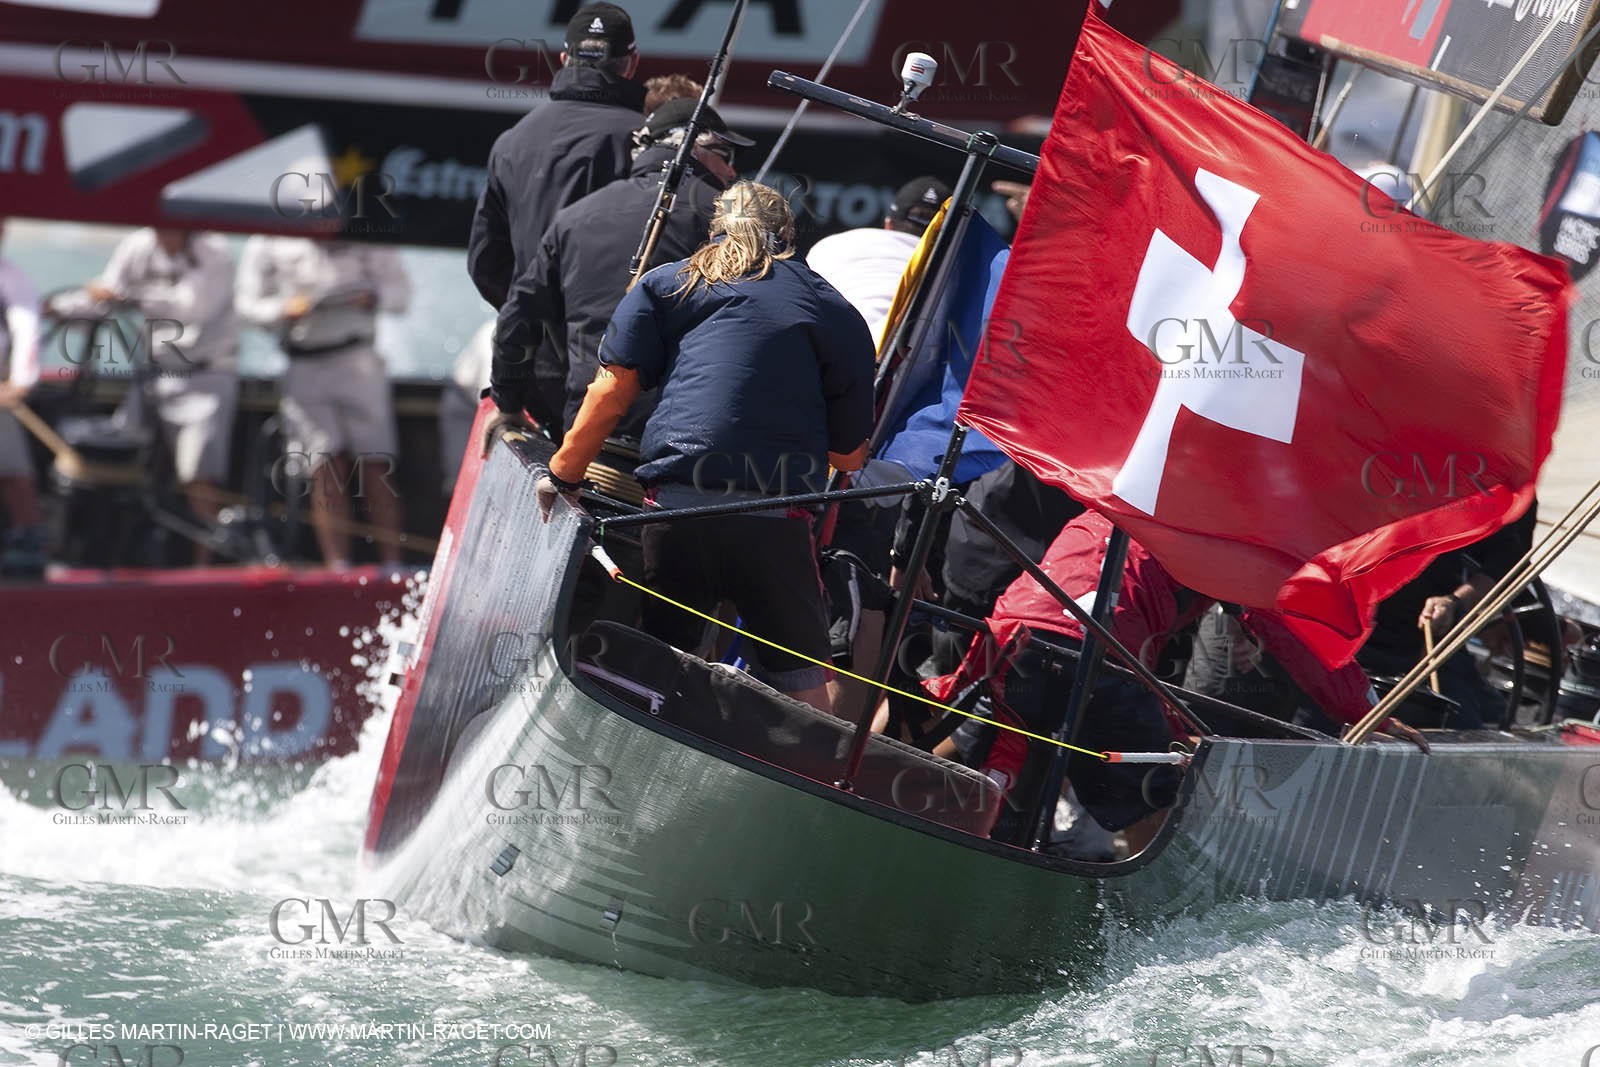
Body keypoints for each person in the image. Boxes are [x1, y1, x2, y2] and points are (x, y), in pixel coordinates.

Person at [522, 182, 875, 714]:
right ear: (789, 237)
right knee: (804, 693)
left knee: (665, 663)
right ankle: (807, 774)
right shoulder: (832, 307)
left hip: (676, 508)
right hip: (773, 519)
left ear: (714, 228)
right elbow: (850, 458)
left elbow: (611, 392)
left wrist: (565, 474)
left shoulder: (667, 285)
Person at [487, 98, 750, 446]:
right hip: (688, 444)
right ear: (694, 148)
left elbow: (517, 319)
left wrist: (508, 402)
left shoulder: (573, 218)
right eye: (725, 155)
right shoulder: (726, 222)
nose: (732, 172)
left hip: (587, 436)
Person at [54, 227, 239, 563]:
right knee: (122, 458)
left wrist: (127, 298)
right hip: (152, 375)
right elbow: (105, 294)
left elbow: (192, 309)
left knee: (199, 478)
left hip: (205, 376)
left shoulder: (214, 250)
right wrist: (59, 308)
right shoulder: (137, 246)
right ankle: (112, 556)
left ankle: (204, 569)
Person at [235, 237, 410, 567]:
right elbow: (247, 306)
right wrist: (283, 310)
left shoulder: (368, 231)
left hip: (358, 359)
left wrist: (371, 298)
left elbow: (401, 296)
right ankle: (338, 566)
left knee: (376, 462)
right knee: (322, 464)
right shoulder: (266, 241)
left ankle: (393, 565)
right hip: (303, 365)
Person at [467, 2, 644, 310]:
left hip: (530, 346)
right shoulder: (646, 140)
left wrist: (528, 317)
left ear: (564, 59)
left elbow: (485, 260)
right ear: (633, 62)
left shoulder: (512, 141)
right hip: (608, 345)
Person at [1358, 509, 1536, 728]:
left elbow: (1507, 560)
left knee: (1483, 733)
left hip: (1433, 646)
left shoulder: (1482, 483)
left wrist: (1457, 601)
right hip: (1349, 646)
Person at [805, 176, 951, 346]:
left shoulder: (830, 244)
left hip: (814, 350)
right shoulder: (951, 270)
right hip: (887, 362)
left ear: (888, 223)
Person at [0, 219, 45, 578]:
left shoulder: (10, 277)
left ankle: (28, 539)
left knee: (14, 473)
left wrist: (18, 382)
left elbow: (26, 328)